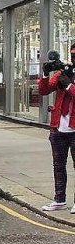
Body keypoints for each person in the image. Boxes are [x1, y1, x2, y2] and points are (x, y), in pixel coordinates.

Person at [38, 44, 75, 212]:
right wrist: (46, 73)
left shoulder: (67, 78)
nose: (73, 58)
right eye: (72, 54)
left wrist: (68, 85)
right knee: (58, 166)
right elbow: (44, 90)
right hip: (58, 127)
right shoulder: (62, 73)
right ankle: (59, 200)